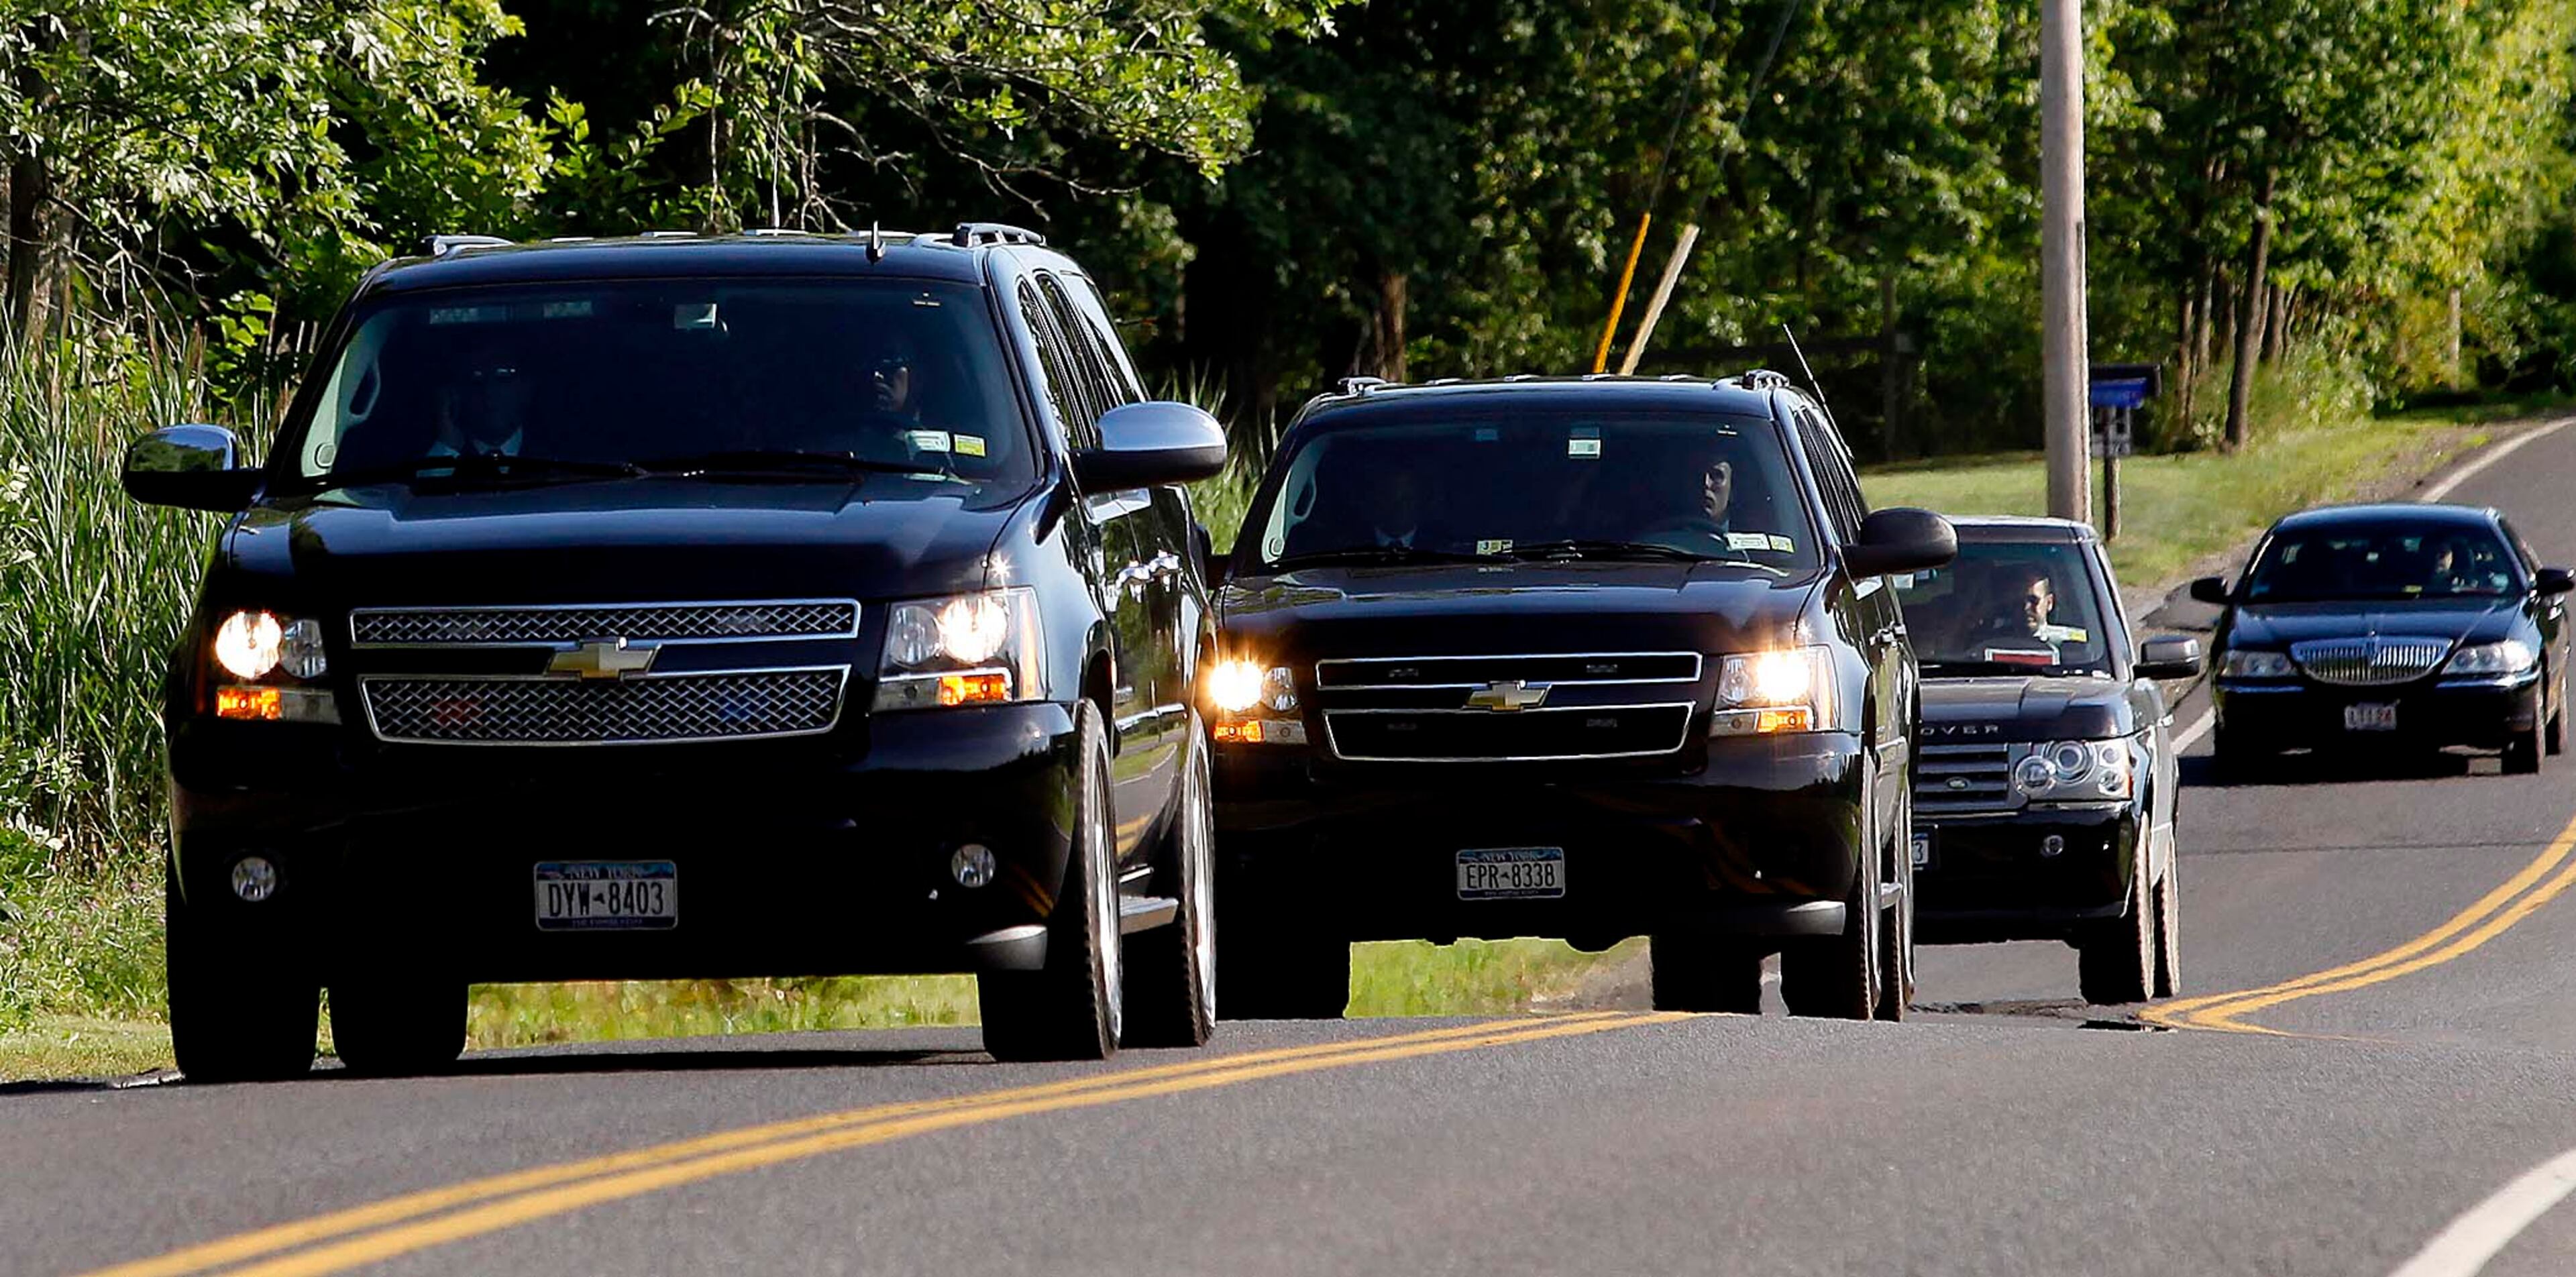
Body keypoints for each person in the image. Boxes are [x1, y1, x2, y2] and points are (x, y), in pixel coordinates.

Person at [425, 338, 533, 467]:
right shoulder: (413, 456)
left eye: (503, 376)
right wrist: (448, 447)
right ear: (455, 393)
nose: (489, 391)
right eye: (476, 379)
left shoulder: (556, 454)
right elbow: (425, 485)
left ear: (526, 387)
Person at [1631, 439, 1737, 554]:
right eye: (1695, 474)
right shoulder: (1651, 545)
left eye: (1716, 475)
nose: (1705, 483)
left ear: (1733, 489)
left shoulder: (1753, 550)